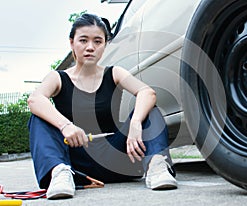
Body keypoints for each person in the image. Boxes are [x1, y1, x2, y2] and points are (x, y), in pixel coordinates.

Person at [27, 13, 177, 200]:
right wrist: (66, 126)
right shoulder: (58, 78)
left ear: (105, 45)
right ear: (72, 43)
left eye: (98, 41)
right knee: (38, 118)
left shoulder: (114, 73)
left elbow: (147, 92)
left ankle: (157, 166)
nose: (90, 47)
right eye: (83, 40)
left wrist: (135, 123)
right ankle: (59, 174)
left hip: (117, 159)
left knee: (149, 111)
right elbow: (35, 99)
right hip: (76, 165)